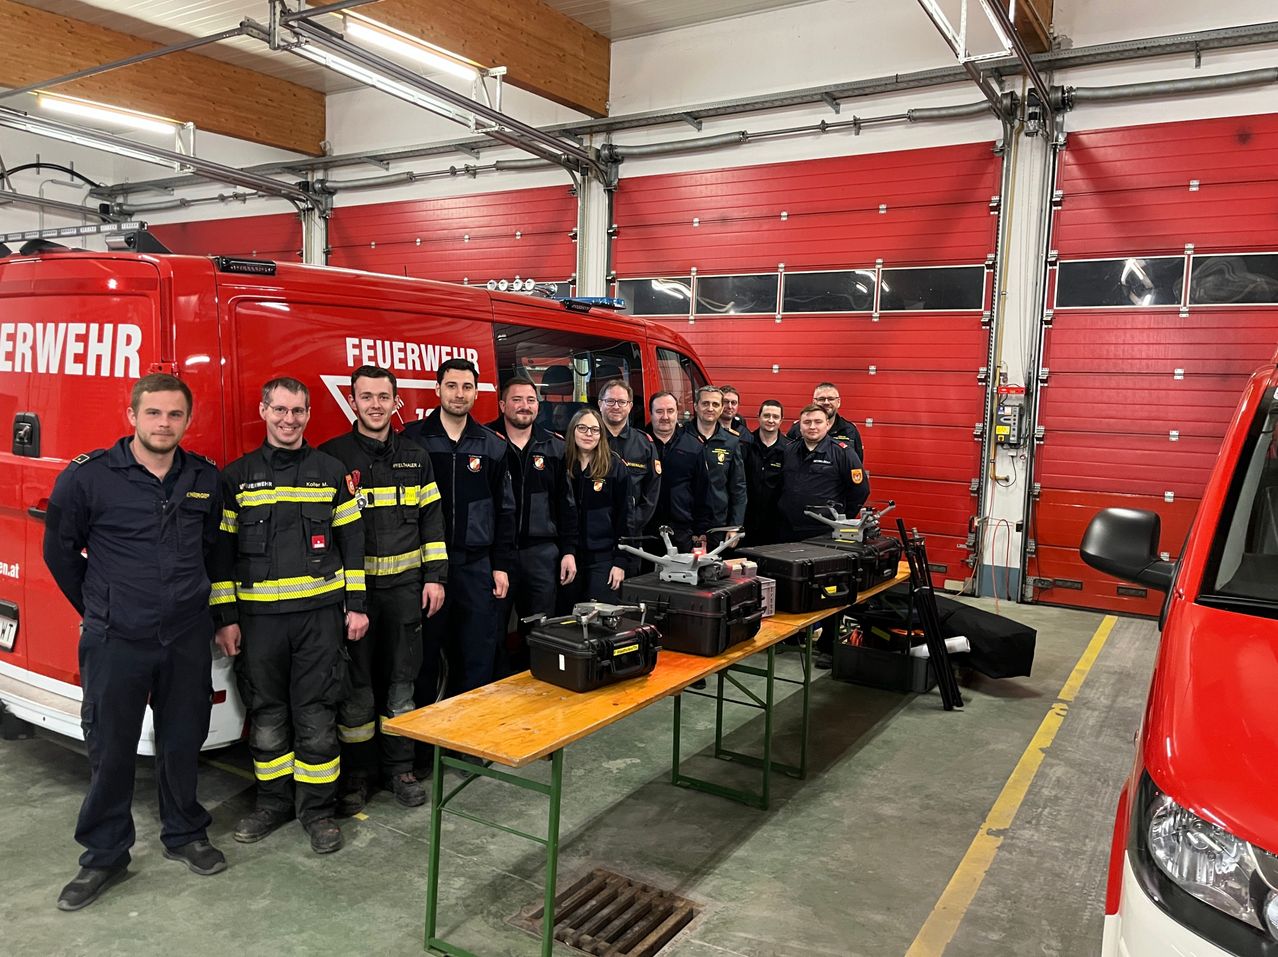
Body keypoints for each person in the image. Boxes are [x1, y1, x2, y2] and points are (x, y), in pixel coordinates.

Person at [43, 374, 225, 911]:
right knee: (111, 747)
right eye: (153, 414)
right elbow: (59, 552)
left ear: (186, 422)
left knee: (181, 740)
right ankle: (103, 856)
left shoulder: (204, 479)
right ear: (132, 416)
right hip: (116, 638)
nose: (163, 424)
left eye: (174, 415)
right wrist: (100, 608)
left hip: (187, 635)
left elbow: (216, 551)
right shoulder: (88, 478)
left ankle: (185, 833)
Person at [211, 377, 368, 855]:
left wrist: (356, 606)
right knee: (267, 717)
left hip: (319, 619)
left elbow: (353, 544)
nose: (289, 419)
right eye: (280, 409)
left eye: (298, 411)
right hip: (259, 624)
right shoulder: (235, 477)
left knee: (317, 716)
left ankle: (317, 812)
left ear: (308, 414)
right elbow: (221, 553)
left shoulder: (331, 471)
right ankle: (273, 803)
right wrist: (226, 617)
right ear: (263, 411)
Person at [318, 366, 447, 815]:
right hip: (354, 599)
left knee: (401, 687)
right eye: (366, 396)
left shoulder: (417, 456)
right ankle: (357, 776)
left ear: (396, 403)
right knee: (355, 691)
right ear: (352, 402)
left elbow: (433, 521)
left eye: (383, 396)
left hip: (405, 593)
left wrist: (436, 577)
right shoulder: (331, 458)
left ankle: (400, 770)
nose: (375, 404)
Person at [402, 359, 515, 706]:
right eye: (451, 386)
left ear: (476, 392)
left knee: (476, 656)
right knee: (423, 658)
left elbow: (505, 510)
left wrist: (501, 565)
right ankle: (423, 750)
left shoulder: (493, 446)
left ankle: (468, 743)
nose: (459, 394)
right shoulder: (412, 441)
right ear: (437, 389)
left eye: (467, 387)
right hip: (422, 568)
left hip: (474, 567)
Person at [488, 376, 577, 672]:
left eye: (530, 401)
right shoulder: (487, 443)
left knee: (540, 627)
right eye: (516, 400)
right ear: (503, 405)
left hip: (542, 554)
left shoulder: (554, 447)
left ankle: (535, 684)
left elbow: (566, 505)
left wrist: (568, 550)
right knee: (493, 628)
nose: (524, 407)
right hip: (496, 554)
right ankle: (497, 690)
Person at [560, 407, 631, 606]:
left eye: (594, 429)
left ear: (601, 434)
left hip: (604, 559)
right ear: (572, 431)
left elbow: (625, 517)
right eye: (582, 428)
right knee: (567, 621)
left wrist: (620, 562)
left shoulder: (615, 467)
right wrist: (567, 551)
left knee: (600, 621)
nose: (588, 434)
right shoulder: (561, 464)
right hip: (567, 557)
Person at [778, 404, 870, 542]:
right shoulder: (788, 450)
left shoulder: (843, 453)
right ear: (800, 426)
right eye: (807, 422)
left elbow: (860, 491)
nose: (812, 426)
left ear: (827, 425)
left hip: (825, 531)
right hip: (788, 529)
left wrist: (841, 518)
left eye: (818, 422)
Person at [597, 379, 660, 572]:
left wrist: (631, 523)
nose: (616, 406)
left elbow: (651, 492)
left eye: (621, 402)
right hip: (595, 537)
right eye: (610, 401)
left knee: (629, 596)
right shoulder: (589, 439)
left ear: (630, 406)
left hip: (631, 538)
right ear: (600, 403)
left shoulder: (644, 444)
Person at [646, 391, 712, 552]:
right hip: (645, 530)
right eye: (659, 411)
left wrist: (701, 532)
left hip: (682, 531)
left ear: (677, 413)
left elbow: (702, 491)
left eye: (670, 411)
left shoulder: (693, 446)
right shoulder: (639, 443)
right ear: (651, 414)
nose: (665, 417)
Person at [689, 386, 747, 544]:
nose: (710, 408)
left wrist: (735, 525)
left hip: (717, 526)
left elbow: (738, 487)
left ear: (721, 408)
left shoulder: (731, 442)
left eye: (715, 404)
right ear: (695, 406)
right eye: (705, 403)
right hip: (685, 526)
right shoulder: (681, 437)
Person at [744, 399, 790, 546]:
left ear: (781, 420)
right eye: (767, 415)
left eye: (775, 417)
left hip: (776, 523)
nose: (771, 420)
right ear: (759, 417)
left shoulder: (789, 449)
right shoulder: (745, 444)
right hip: (746, 520)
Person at [786, 382, 865, 463]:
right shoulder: (798, 428)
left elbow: (857, 462)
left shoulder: (850, 430)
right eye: (821, 399)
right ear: (814, 402)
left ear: (838, 402)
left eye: (831, 399)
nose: (826, 402)